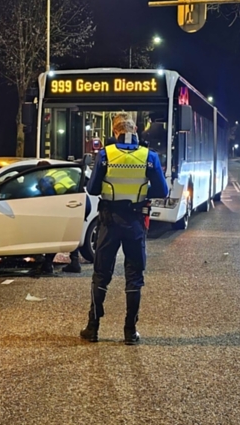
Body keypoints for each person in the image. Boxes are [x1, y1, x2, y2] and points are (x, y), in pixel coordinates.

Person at [80, 113, 168, 345]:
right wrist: (140, 195)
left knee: (101, 274)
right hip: (136, 221)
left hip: (109, 221)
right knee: (134, 276)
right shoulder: (149, 156)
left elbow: (92, 188)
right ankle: (130, 332)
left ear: (114, 131)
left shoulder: (105, 155)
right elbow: (162, 190)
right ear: (135, 129)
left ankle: (93, 328)